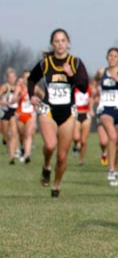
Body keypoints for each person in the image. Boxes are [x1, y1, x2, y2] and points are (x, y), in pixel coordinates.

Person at [27, 28, 90, 197]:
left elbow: (84, 87)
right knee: (49, 145)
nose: (60, 44)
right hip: (48, 109)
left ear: (68, 43)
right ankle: (47, 166)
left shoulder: (75, 62)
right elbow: (31, 79)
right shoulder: (45, 63)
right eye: (57, 41)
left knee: (62, 156)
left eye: (63, 41)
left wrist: (71, 75)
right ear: (52, 44)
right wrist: (31, 95)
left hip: (68, 112)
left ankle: (56, 185)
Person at [94, 47, 118, 187]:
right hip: (105, 108)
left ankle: (115, 167)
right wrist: (95, 89)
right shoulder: (102, 71)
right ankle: (111, 169)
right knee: (112, 136)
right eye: (110, 56)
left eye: (115, 56)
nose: (112, 58)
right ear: (107, 57)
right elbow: (94, 81)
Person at [14, 72, 36, 164]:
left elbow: (43, 95)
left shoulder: (34, 88)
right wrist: (19, 96)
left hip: (31, 114)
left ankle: (27, 155)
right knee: (22, 135)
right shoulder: (20, 88)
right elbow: (14, 99)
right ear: (23, 79)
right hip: (20, 114)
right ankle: (23, 148)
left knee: (28, 134)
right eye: (25, 78)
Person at [0, 68, 20, 163]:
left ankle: (12, 154)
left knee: (14, 133)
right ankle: (6, 141)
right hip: (4, 111)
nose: (12, 79)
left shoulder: (18, 87)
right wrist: (5, 103)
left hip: (12, 111)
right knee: (5, 133)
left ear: (16, 77)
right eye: (10, 77)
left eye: (13, 77)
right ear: (7, 78)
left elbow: (17, 97)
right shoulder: (4, 87)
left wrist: (16, 99)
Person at [72, 82, 93, 165]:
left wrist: (91, 107)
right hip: (76, 114)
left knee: (83, 141)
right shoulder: (74, 87)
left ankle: (81, 160)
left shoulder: (88, 87)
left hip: (86, 114)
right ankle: (76, 145)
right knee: (76, 137)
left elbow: (92, 98)